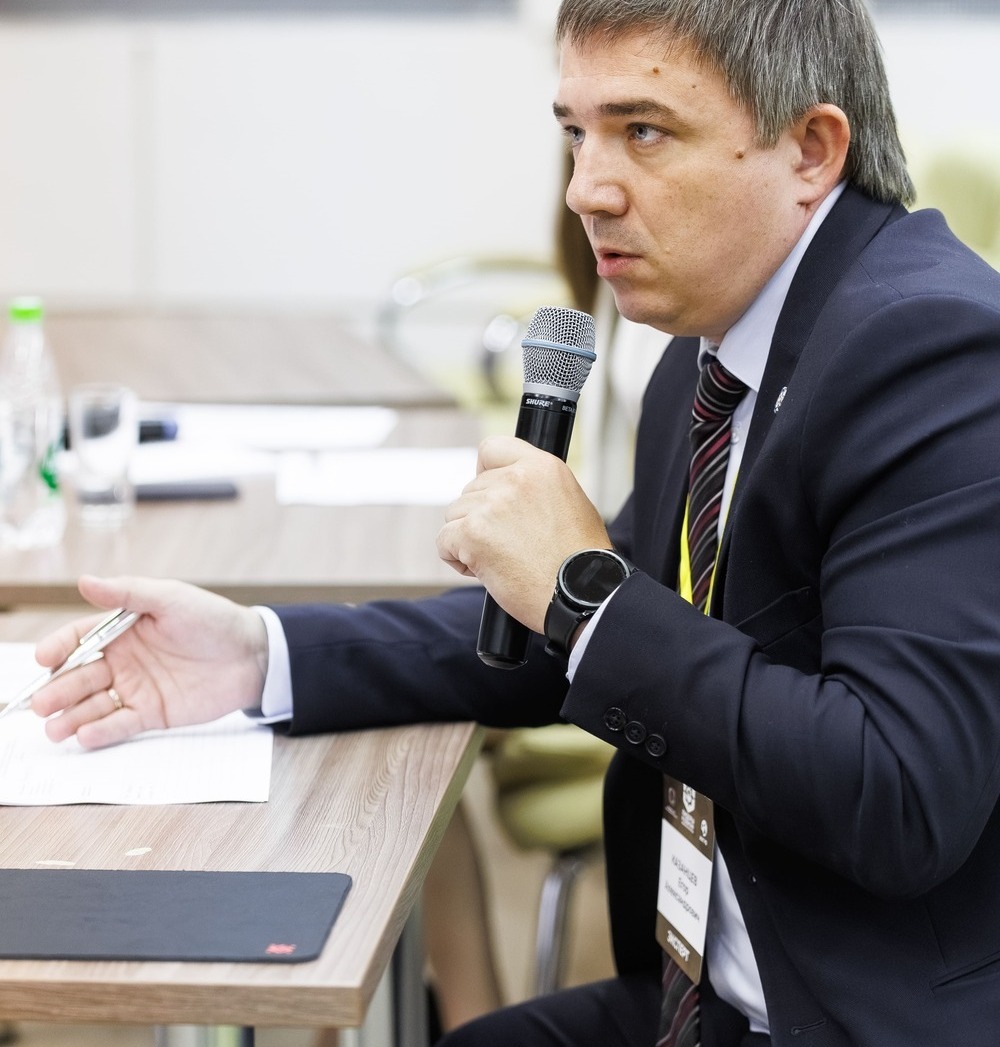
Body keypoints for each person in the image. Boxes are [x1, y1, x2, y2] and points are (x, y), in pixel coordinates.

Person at [27, 0, 1000, 1043]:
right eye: (576, 133)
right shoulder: (710, 354)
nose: (586, 189)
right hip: (708, 998)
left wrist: (586, 596)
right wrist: (257, 655)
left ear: (810, 149)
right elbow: (571, 615)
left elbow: (899, 795)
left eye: (643, 131)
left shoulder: (932, 353)